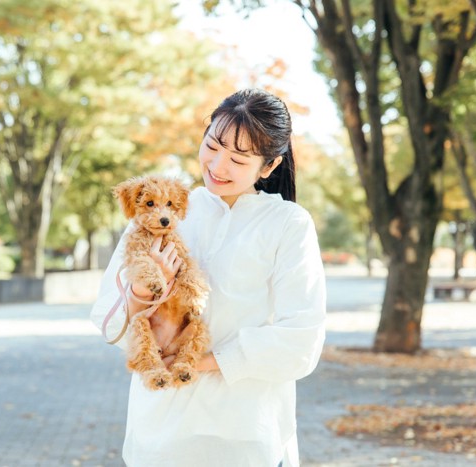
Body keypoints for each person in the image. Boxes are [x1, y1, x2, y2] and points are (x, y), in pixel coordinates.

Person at [90, 88, 326, 467]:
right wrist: (140, 292)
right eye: (212, 145)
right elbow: (108, 323)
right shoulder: (164, 210)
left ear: (268, 167)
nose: (218, 165)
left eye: (238, 158)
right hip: (159, 438)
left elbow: (302, 340)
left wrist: (201, 362)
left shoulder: (287, 225)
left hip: (246, 437)